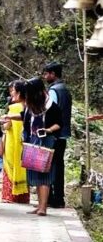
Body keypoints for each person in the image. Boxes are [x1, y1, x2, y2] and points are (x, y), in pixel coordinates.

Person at [23, 76, 62, 216]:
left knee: (44, 174)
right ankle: (40, 205)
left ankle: (43, 207)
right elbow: (25, 119)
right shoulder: (32, 106)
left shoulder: (51, 106)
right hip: (33, 140)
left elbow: (59, 124)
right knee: (36, 174)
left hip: (46, 142)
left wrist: (48, 130)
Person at [42, 61, 72, 208]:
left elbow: (50, 112)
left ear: (53, 74)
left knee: (51, 166)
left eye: (46, 74)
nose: (45, 76)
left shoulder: (54, 91)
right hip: (64, 134)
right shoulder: (65, 89)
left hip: (54, 133)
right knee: (59, 166)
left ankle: (52, 197)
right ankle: (59, 198)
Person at [1, 80, 29, 204]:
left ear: (19, 92)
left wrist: (2, 121)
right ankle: (22, 196)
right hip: (24, 142)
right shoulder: (28, 106)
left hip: (12, 142)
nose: (11, 93)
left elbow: (7, 126)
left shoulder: (14, 108)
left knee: (10, 165)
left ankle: (10, 196)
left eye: (13, 90)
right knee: (23, 167)